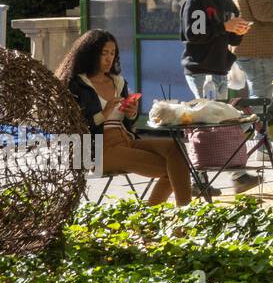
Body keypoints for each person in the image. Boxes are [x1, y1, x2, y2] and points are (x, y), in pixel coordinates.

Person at [58, 30, 192, 206]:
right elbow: (68, 125)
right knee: (173, 169)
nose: (109, 59)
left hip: (125, 140)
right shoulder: (75, 84)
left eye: (112, 53)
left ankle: (156, 220)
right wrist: (102, 115)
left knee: (177, 148)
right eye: (104, 53)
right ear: (90, 54)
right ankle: (174, 218)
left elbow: (127, 123)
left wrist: (131, 113)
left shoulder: (118, 82)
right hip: (94, 149)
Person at [179, 0, 259, 192]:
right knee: (209, 121)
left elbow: (231, 37)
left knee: (220, 121)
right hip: (201, 68)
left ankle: (231, 174)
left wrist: (239, 30)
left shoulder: (226, 2)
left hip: (219, 67)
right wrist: (225, 27)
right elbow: (193, 34)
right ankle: (211, 178)